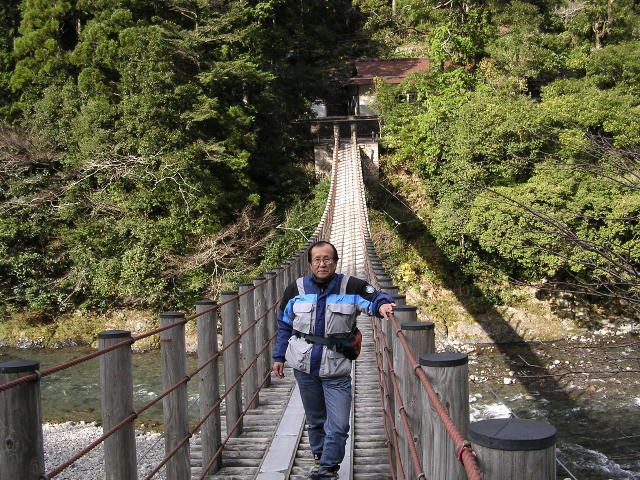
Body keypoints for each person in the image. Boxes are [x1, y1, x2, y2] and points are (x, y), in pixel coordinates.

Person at [271, 241, 395, 480]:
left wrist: (383, 306)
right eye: (317, 259)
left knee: (338, 425)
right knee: (316, 420)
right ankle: (323, 464)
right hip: (304, 366)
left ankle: (328, 467)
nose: (322, 264)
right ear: (310, 263)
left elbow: (375, 298)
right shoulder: (296, 289)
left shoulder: (351, 286)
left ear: (336, 262)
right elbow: (284, 324)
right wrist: (278, 356)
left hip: (336, 367)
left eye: (327, 258)